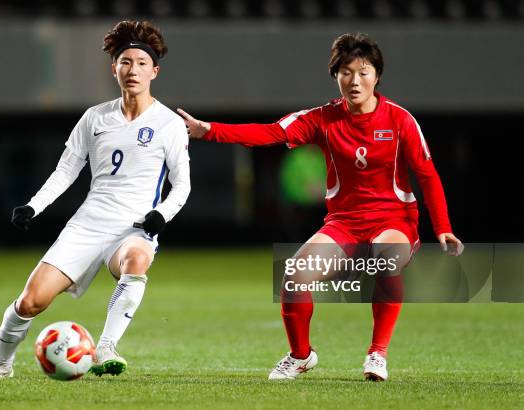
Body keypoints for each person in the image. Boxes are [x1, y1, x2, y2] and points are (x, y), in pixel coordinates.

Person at [179, 33, 462, 381]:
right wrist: (210, 131)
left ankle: (377, 354)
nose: (355, 80)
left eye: (363, 71)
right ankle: (301, 355)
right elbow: (270, 133)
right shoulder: (323, 119)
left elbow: (427, 174)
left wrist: (443, 227)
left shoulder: (400, 120)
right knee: (295, 275)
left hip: (394, 221)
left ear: (377, 76)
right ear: (335, 76)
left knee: (386, 255)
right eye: (346, 72)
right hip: (343, 224)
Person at [0, 20, 190, 379]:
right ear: (114, 69)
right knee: (31, 301)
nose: (132, 69)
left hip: (135, 226)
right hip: (89, 222)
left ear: (154, 71)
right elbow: (66, 171)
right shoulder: (94, 118)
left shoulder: (168, 124)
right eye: (125, 62)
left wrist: (161, 215)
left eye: (140, 63)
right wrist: (33, 206)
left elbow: (182, 185)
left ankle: (106, 346)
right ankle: (0, 365)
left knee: (137, 259)